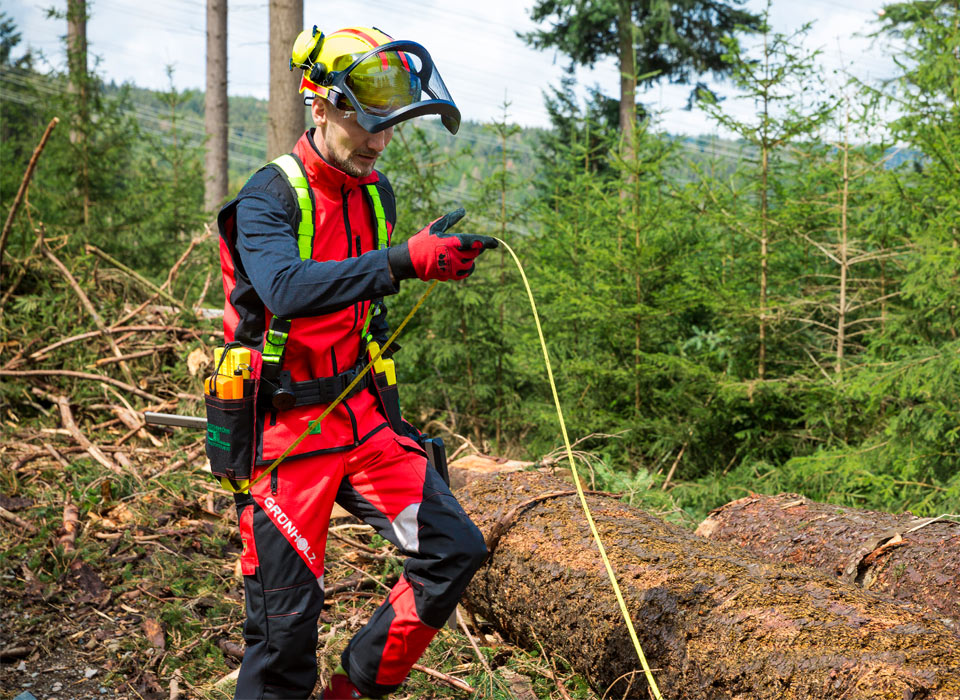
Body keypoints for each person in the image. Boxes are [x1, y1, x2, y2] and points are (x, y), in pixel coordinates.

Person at [214, 25, 497, 700]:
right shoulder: (267, 197)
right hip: (285, 438)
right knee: (284, 631)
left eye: (388, 128)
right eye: (364, 125)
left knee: (454, 548)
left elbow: (360, 288)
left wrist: (423, 257)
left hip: (361, 419)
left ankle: (356, 685)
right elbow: (286, 288)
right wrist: (402, 263)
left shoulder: (376, 192)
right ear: (320, 107)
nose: (377, 142)